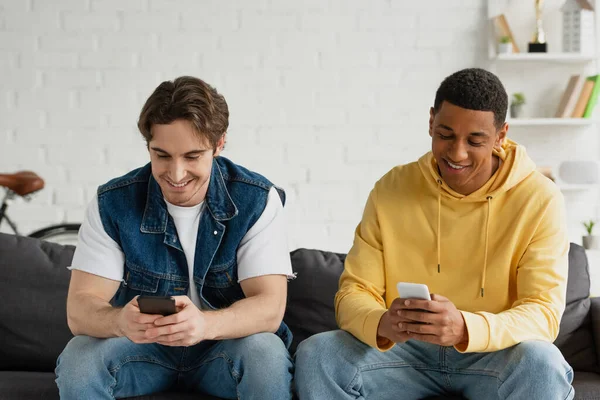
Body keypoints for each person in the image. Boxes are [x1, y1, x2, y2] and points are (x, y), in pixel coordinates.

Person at [294, 68, 574, 400]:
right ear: (430, 122)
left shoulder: (540, 199)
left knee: (542, 363)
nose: (457, 153)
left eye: (475, 140)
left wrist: (466, 328)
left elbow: (542, 311)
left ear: (501, 136)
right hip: (403, 354)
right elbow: (353, 292)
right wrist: (381, 322)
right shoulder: (391, 189)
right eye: (445, 134)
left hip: (494, 355)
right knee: (319, 354)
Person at [55, 76, 295, 400]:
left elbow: (270, 308)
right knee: (79, 358)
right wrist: (119, 321)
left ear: (219, 143)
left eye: (192, 156)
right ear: (148, 147)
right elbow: (79, 311)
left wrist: (204, 325)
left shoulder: (255, 200)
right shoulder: (113, 203)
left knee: (265, 352)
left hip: (222, 349)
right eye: (162, 155)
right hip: (144, 350)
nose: (176, 174)